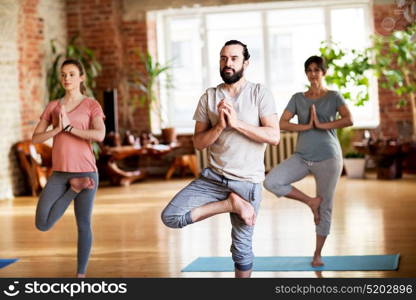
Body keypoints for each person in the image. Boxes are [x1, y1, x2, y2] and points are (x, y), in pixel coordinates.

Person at [161, 40, 279, 278]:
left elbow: (274, 136)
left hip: (247, 183)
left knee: (241, 249)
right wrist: (220, 127)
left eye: (234, 58)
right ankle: (229, 204)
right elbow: (198, 142)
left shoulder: (259, 93)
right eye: (224, 58)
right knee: (170, 217)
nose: (228, 63)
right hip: (213, 179)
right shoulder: (209, 96)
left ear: (246, 63)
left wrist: (236, 123)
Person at [263, 55, 353, 267]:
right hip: (302, 156)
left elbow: (349, 119)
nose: (313, 74)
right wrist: (306, 126)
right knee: (271, 181)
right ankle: (310, 201)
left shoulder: (334, 96)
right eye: (309, 70)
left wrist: (321, 125)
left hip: (328, 158)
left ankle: (317, 253)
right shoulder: (298, 98)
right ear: (306, 73)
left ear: (324, 72)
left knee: (326, 207)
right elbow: (281, 123)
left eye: (317, 70)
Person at [32, 58, 106, 277]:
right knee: (42, 223)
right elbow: (36, 138)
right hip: (60, 174)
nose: (67, 78)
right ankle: (74, 189)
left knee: (83, 224)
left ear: (81, 77)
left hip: (85, 171)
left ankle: (80, 275)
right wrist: (57, 129)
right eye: (63, 74)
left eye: (72, 74)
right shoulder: (54, 106)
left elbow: (99, 135)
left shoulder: (91, 105)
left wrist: (70, 128)